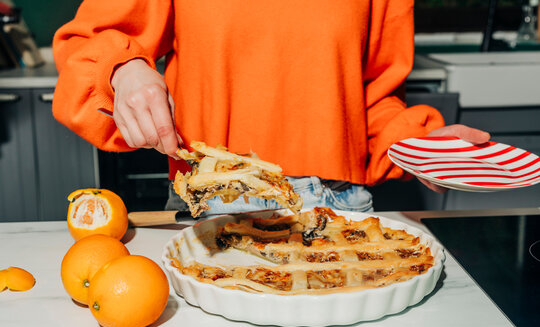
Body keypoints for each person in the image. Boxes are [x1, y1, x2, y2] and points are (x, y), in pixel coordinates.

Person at [52, 0, 489, 215]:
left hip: (339, 209)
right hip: (211, 210)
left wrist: (417, 144)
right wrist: (124, 69)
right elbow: (90, 41)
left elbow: (369, 98)